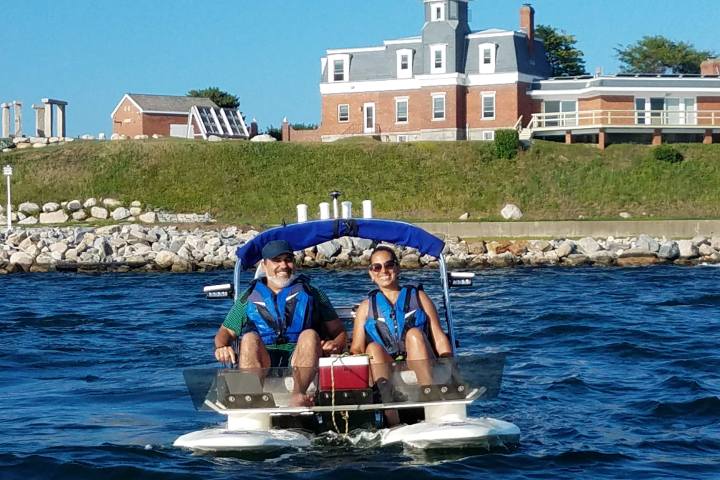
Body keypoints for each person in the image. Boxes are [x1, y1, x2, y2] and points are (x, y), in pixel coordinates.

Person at [214, 239, 347, 406]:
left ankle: (297, 396)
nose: (284, 265)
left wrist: (336, 344)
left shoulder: (314, 294)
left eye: (288, 260)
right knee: (248, 339)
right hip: (263, 357)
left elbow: (339, 331)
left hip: (300, 356)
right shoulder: (248, 298)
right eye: (277, 260)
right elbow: (224, 332)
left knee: (309, 335)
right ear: (264, 265)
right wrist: (221, 347)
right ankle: (249, 399)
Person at [350, 246, 452, 407]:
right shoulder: (365, 308)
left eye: (389, 265)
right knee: (373, 348)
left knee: (413, 334)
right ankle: (389, 413)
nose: (383, 271)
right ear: (371, 274)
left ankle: (429, 396)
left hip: (420, 357)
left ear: (397, 268)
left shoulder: (419, 298)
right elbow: (356, 348)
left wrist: (450, 364)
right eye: (377, 267)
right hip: (387, 363)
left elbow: (438, 336)